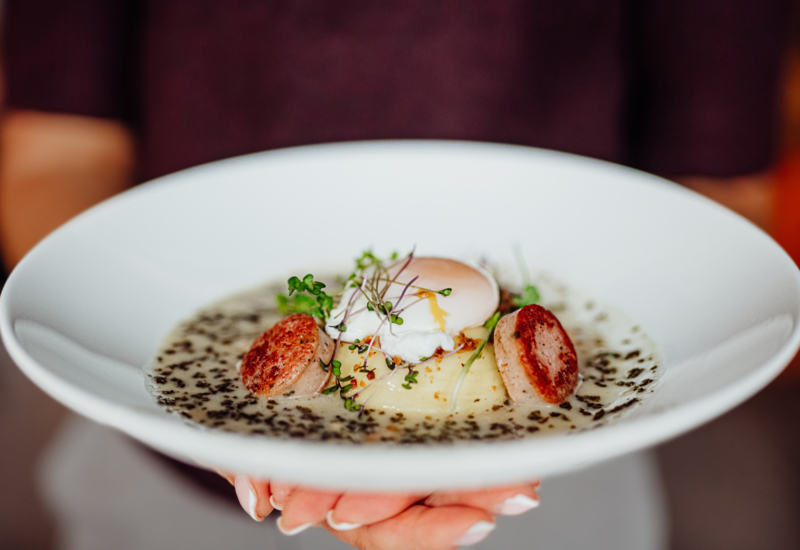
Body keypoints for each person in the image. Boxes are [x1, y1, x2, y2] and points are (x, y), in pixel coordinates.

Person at [1, 1, 790, 548]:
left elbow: (720, 185)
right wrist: (134, 321)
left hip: (557, 490)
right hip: (171, 492)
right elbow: (56, 156)